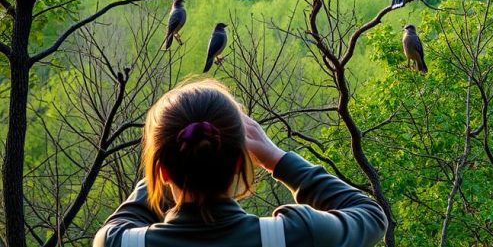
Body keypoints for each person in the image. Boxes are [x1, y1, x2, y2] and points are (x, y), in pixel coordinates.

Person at [93, 79, 386, 247]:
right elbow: (371, 216)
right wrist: (276, 158)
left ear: (163, 170)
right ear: (239, 162)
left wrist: (172, 159)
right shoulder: (291, 236)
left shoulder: (120, 243)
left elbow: (121, 222)